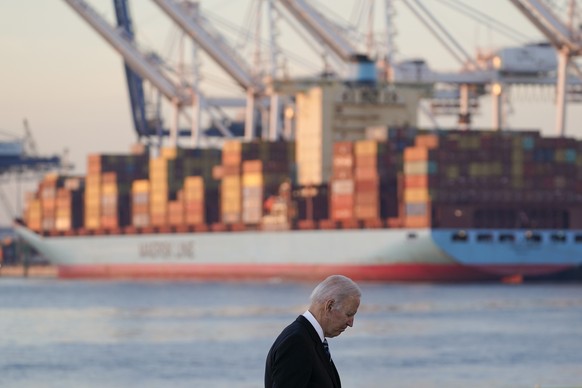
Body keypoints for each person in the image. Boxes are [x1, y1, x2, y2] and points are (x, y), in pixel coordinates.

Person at [264, 274, 362, 388]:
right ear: (329, 306)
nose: (351, 323)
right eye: (349, 314)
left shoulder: (308, 338)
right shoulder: (297, 343)